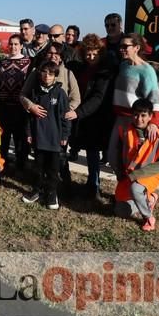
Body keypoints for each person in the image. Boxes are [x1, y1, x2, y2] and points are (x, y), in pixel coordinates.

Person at [107, 33, 159, 179]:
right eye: (120, 46)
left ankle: (135, 196)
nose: (121, 49)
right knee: (113, 156)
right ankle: (123, 191)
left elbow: (155, 100)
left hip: (134, 121)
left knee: (131, 161)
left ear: (137, 47)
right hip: (119, 119)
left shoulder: (147, 71)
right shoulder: (123, 65)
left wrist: (153, 123)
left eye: (125, 46)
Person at [65, 34, 113, 201]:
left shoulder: (104, 71)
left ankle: (94, 185)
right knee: (71, 145)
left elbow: (98, 97)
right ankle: (65, 181)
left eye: (95, 54)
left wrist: (79, 112)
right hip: (78, 113)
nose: (91, 57)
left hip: (94, 115)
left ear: (100, 53)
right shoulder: (79, 67)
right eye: (88, 53)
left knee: (92, 152)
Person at [113, 98, 159, 231]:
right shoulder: (125, 130)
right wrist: (120, 172)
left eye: (143, 115)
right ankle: (150, 199)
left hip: (151, 173)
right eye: (135, 114)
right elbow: (119, 153)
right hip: (131, 174)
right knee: (120, 211)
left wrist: (137, 174)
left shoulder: (158, 135)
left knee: (135, 189)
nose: (139, 119)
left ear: (151, 116)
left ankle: (148, 218)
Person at [22, 61, 71, 210]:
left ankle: (51, 193)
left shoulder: (60, 93)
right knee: (38, 167)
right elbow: (29, 116)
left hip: (54, 139)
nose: (47, 76)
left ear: (55, 76)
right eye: (44, 73)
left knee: (53, 169)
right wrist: (29, 133)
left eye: (50, 74)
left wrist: (64, 135)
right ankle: (36, 190)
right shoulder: (35, 92)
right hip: (38, 137)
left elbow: (65, 116)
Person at [0, 34, 31, 170]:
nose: (13, 47)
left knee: (20, 137)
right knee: (4, 136)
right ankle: (2, 163)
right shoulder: (1, 63)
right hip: (4, 105)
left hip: (21, 106)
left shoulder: (28, 62)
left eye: (16, 44)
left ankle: (20, 165)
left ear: (21, 46)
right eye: (11, 44)